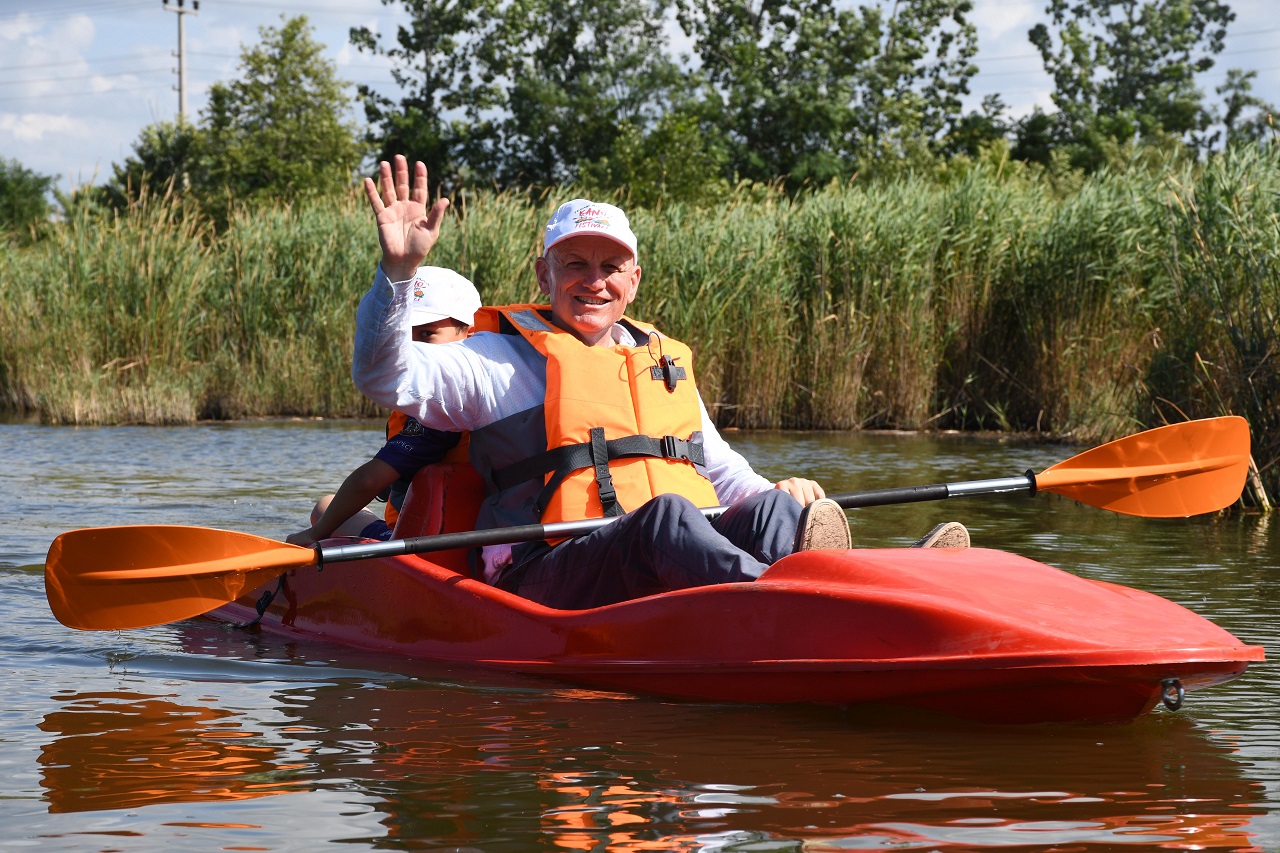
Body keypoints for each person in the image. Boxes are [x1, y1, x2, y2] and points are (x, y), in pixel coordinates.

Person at [352, 155, 967, 609]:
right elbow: (383, 375)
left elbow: (721, 471)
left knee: (773, 507)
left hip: (658, 557)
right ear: (545, 273)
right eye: (575, 264)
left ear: (634, 279)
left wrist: (783, 495)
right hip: (541, 571)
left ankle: (874, 589)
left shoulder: (657, 362)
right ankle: (808, 603)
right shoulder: (493, 361)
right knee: (666, 517)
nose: (594, 281)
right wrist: (398, 274)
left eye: (610, 266)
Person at [286, 266, 481, 548]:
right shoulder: (490, 384)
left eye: (427, 335)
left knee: (323, 510)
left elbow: (368, 482)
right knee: (327, 504)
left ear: (469, 334)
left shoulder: (440, 408)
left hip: (423, 546)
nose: (414, 349)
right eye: (405, 336)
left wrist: (314, 535)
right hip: (451, 531)